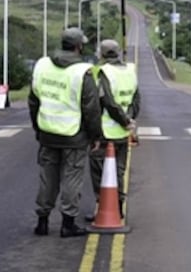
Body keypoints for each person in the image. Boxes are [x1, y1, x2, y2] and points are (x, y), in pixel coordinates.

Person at [28, 27, 102, 238]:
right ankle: (67, 224)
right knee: (71, 178)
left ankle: (42, 222)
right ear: (79, 46)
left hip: (47, 132)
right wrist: (95, 136)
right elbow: (91, 108)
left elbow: (33, 100)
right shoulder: (83, 72)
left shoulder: (42, 65)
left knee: (47, 178)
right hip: (74, 135)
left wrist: (37, 127)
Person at [88, 39, 140, 220]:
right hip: (122, 133)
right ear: (118, 53)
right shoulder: (130, 71)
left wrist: (124, 120)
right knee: (118, 171)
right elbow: (136, 100)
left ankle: (104, 208)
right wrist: (129, 120)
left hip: (105, 132)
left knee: (100, 171)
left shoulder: (103, 72)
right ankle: (118, 206)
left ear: (101, 54)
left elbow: (107, 101)